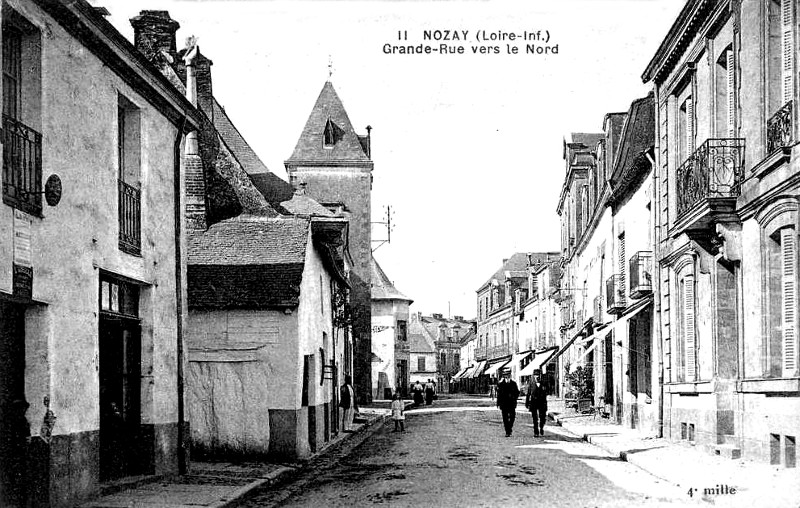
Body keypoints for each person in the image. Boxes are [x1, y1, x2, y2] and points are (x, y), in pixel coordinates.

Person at [496, 368, 520, 437]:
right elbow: (499, 395)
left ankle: (509, 427)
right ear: (504, 376)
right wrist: (498, 403)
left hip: (512, 403)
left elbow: (517, 392)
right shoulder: (501, 384)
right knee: (505, 418)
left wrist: (514, 397)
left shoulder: (513, 383)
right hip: (504, 404)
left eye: (508, 375)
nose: (507, 376)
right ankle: (507, 431)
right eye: (505, 375)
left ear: (510, 375)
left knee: (512, 417)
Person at [525, 372, 548, 437]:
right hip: (534, 403)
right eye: (535, 375)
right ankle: (536, 432)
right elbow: (528, 394)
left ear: (540, 376)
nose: (537, 377)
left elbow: (547, 391)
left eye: (538, 375)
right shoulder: (531, 384)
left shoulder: (544, 383)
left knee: (542, 417)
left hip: (542, 402)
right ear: (533, 376)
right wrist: (527, 403)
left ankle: (541, 427)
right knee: (534, 418)